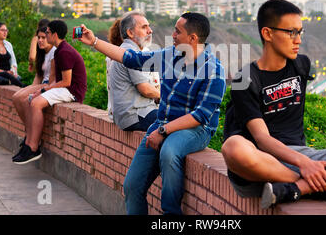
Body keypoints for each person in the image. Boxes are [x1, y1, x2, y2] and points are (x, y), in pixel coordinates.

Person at [221, 0, 326, 211]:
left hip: (303, 154)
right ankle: (323, 188)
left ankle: (295, 189)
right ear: (267, 34)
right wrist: (304, 165)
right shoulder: (245, 79)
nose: (298, 40)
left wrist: (307, 160)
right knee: (233, 147)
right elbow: (263, 139)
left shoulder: (301, 65)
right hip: (261, 163)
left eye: (300, 32)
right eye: (291, 32)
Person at [78, 12, 226, 215]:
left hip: (196, 129)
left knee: (169, 151)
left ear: (193, 38)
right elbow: (131, 59)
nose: (172, 35)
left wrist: (163, 131)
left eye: (177, 31)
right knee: (131, 186)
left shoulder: (213, 70)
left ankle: (171, 214)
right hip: (163, 123)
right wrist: (94, 41)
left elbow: (200, 115)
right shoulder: (168, 55)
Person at [12, 20, 87, 165]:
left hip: (72, 91)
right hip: (65, 88)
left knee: (36, 104)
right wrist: (41, 90)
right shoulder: (60, 50)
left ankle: (33, 147)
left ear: (54, 34)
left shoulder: (64, 52)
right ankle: (29, 143)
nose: (45, 36)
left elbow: (66, 81)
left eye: (47, 33)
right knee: (33, 99)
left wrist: (44, 90)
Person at [109, 11, 160, 131]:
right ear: (130, 33)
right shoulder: (130, 53)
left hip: (136, 113)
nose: (150, 31)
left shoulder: (129, 50)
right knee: (177, 121)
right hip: (135, 115)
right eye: (144, 27)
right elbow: (146, 90)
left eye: (149, 26)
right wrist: (165, 97)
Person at [12, 24, 56, 158]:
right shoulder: (43, 52)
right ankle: (29, 133)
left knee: (23, 99)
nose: (40, 40)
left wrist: (32, 92)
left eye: (43, 37)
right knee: (17, 97)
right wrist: (29, 89)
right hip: (41, 84)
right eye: (39, 38)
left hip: (49, 85)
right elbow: (38, 76)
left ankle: (31, 140)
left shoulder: (54, 52)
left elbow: (51, 80)